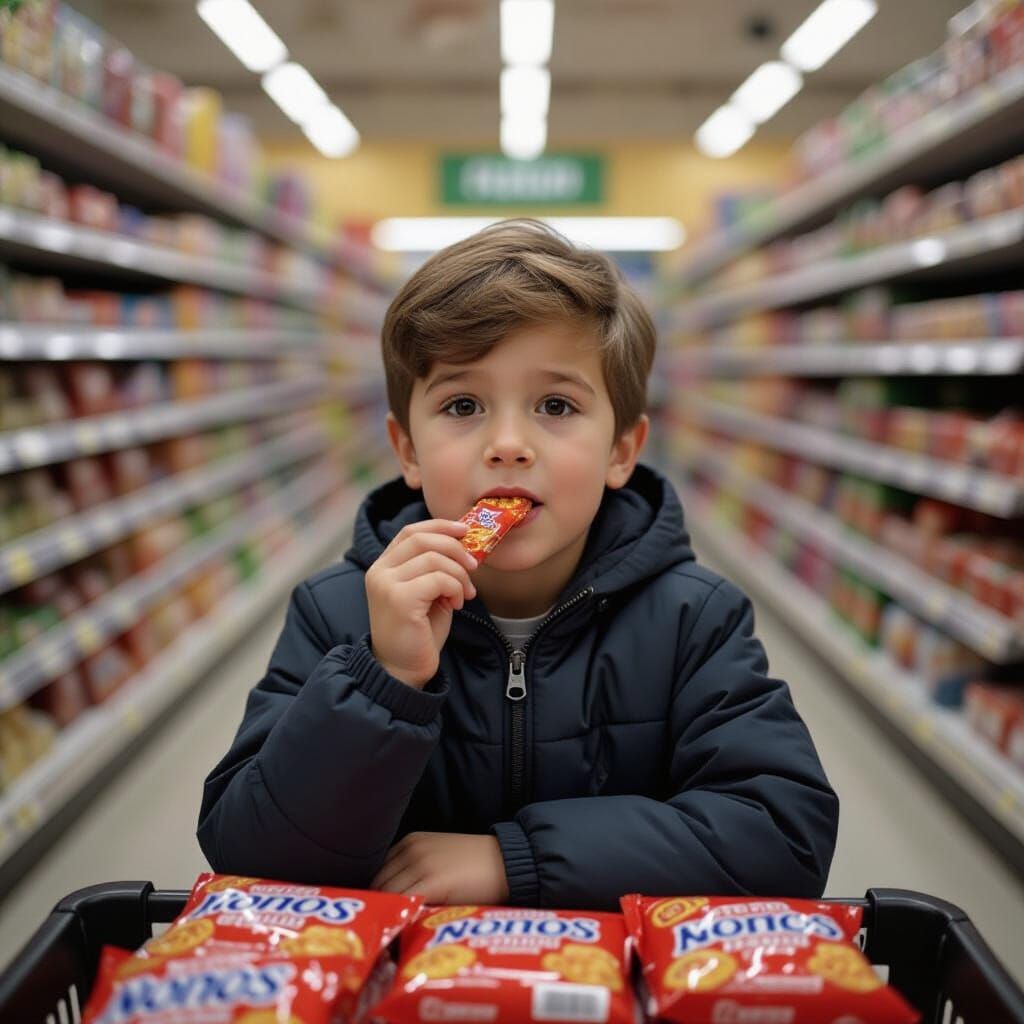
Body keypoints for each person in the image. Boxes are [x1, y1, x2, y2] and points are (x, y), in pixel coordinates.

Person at [197, 219, 839, 909]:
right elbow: (251, 854)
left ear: (622, 450)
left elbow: (784, 836)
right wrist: (383, 679)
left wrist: (517, 860)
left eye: (555, 405)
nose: (508, 444)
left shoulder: (694, 619)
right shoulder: (340, 613)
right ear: (406, 449)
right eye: (463, 405)